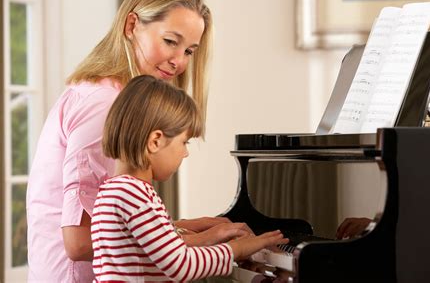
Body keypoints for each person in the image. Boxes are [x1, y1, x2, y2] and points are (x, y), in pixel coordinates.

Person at [26, 0, 250, 282]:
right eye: (171, 42)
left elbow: (109, 222)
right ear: (132, 25)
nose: (178, 62)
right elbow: (79, 243)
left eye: (189, 51)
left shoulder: (110, 94)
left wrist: (181, 226)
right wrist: (202, 242)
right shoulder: (105, 104)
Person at [92, 75, 288, 281]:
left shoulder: (115, 190)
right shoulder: (134, 194)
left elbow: (162, 249)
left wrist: (211, 235)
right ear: (155, 141)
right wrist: (237, 249)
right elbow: (181, 264)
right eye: (184, 142)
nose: (186, 153)